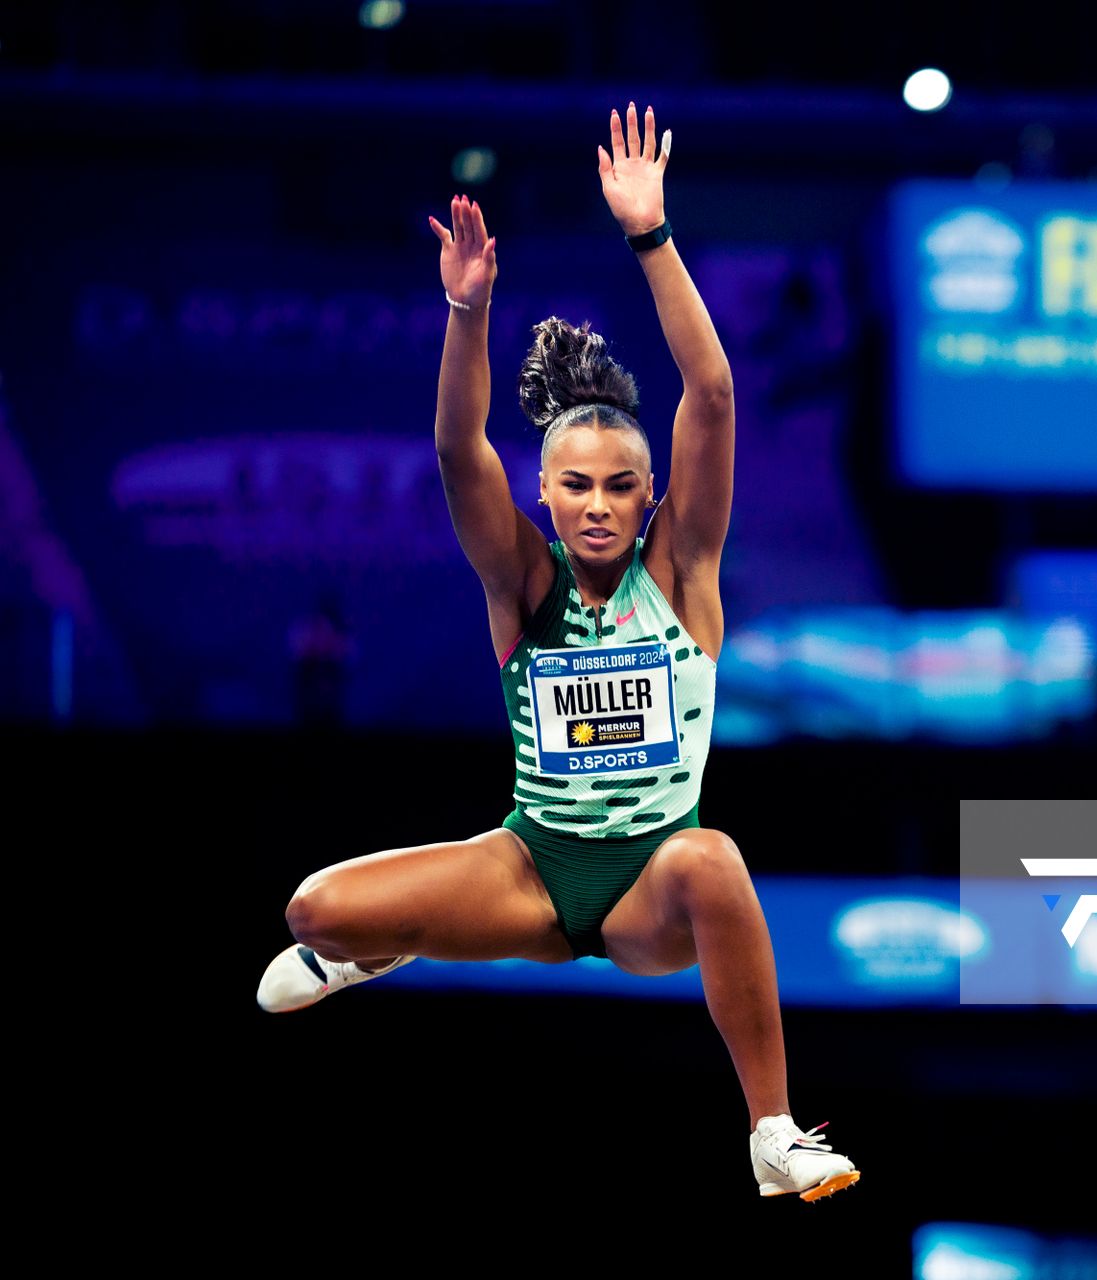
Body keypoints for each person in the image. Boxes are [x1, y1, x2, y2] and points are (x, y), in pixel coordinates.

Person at [254, 102, 860, 1204]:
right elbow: (453, 447)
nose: (594, 503)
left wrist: (651, 237)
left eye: (618, 485)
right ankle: (380, 943)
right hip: (531, 867)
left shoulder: (682, 578)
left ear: (649, 500)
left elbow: (714, 398)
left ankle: (772, 1131)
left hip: (648, 888)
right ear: (544, 492)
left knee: (718, 856)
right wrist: (466, 312)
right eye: (572, 484)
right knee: (311, 912)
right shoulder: (521, 582)